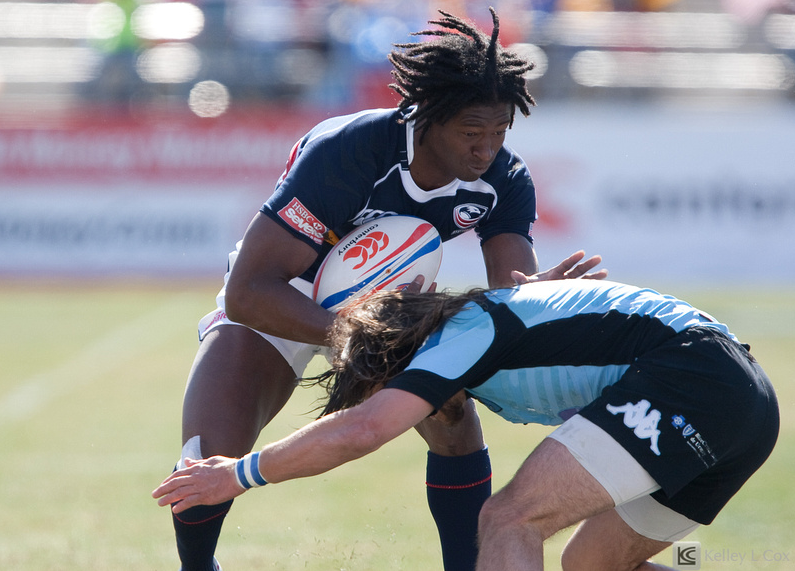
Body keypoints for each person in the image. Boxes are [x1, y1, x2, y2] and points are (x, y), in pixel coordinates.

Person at [166, 7, 606, 571]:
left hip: (390, 303)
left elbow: (511, 289)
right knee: (206, 458)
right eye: (472, 133)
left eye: (499, 132)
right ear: (425, 118)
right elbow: (249, 292)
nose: (486, 149)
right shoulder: (350, 153)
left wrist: (533, 299)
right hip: (288, 293)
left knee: (452, 415)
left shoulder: (504, 178)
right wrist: (357, 335)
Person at [155, 277, 779, 571]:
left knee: (508, 520)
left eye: (381, 385)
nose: (404, 407)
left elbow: (361, 430)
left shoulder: (458, 335)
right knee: (591, 566)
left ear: (394, 355)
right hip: (745, 401)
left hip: (696, 382)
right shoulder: (481, 322)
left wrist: (237, 474)